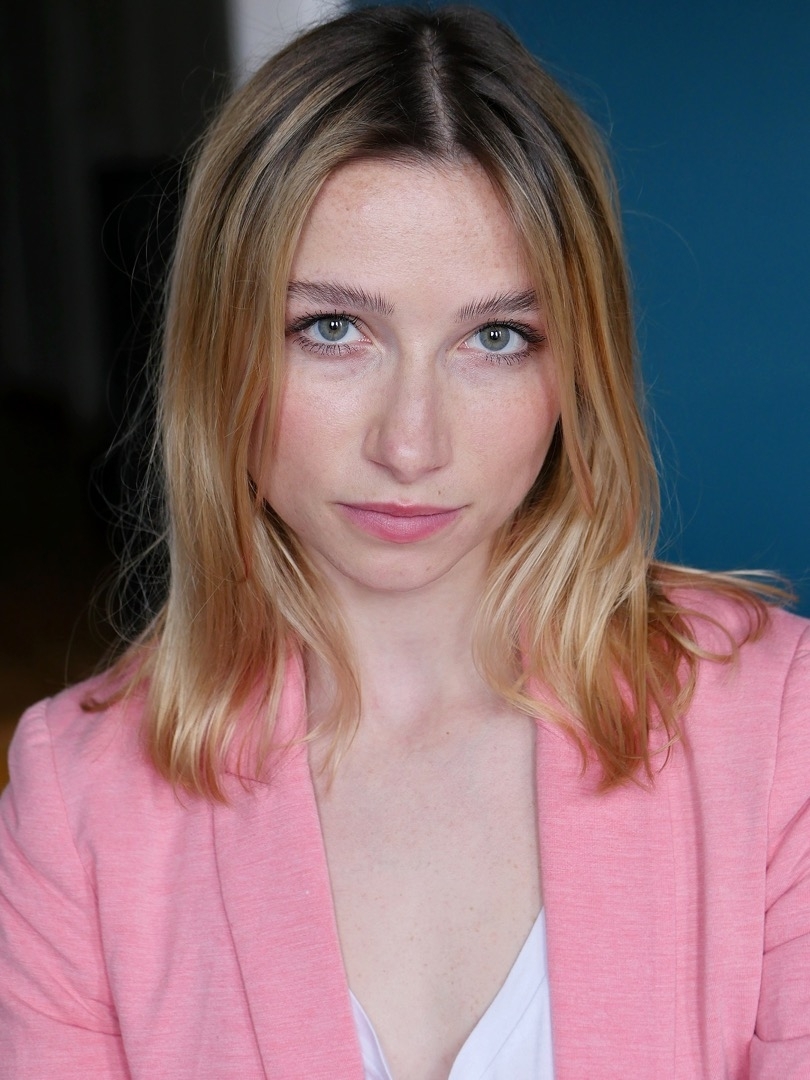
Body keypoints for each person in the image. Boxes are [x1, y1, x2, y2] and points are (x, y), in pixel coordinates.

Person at [1, 5, 808, 1078]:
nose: (411, 443)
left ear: (578, 370)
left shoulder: (778, 727)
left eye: (495, 337)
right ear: (219, 348)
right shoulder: (76, 797)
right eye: (333, 329)